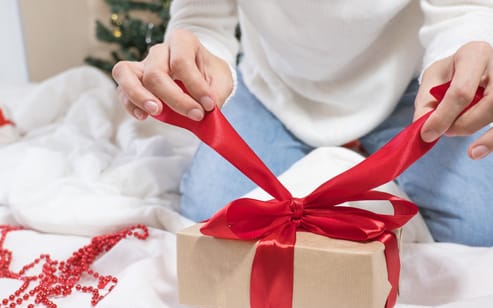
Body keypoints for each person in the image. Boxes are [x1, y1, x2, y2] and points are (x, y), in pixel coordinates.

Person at [112, 1, 493, 246]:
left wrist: (464, 51)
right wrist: (195, 61)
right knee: (215, 220)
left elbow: (463, 10)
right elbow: (202, 19)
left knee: (476, 229)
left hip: (409, 91)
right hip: (272, 89)